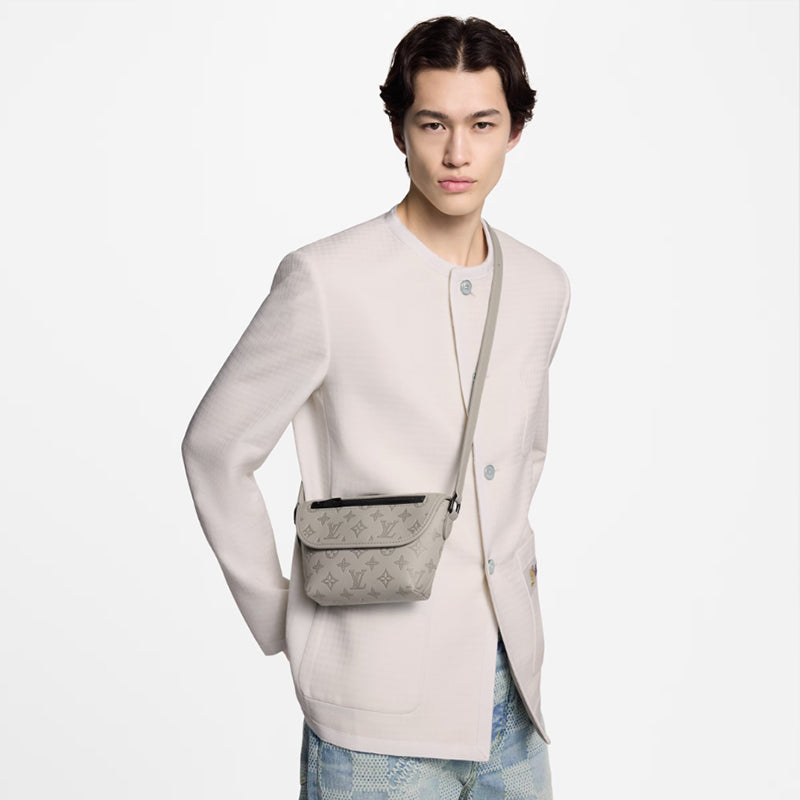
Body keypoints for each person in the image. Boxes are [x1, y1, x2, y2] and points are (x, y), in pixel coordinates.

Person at [181, 14, 571, 799]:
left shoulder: (541, 285)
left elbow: (524, 456)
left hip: (512, 701)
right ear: (399, 130)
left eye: (482, 124)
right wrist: (281, 616)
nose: (457, 154)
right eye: (433, 124)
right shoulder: (327, 280)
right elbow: (216, 448)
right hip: (372, 717)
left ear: (515, 131)